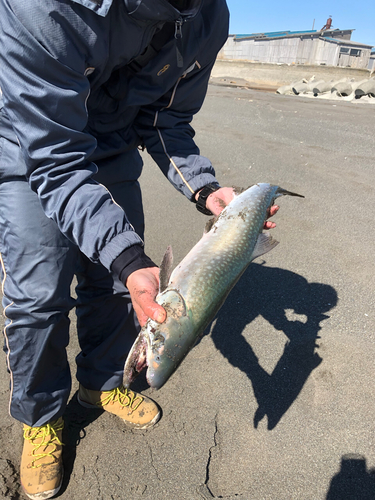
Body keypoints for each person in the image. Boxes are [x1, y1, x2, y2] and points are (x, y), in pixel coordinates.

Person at [0, 0, 278, 498]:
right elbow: (58, 161)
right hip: (36, 146)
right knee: (38, 299)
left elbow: (166, 121)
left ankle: (103, 383)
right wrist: (130, 257)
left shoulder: (210, 17)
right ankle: (40, 417)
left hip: (112, 145)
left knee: (118, 283)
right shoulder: (41, 7)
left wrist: (205, 189)